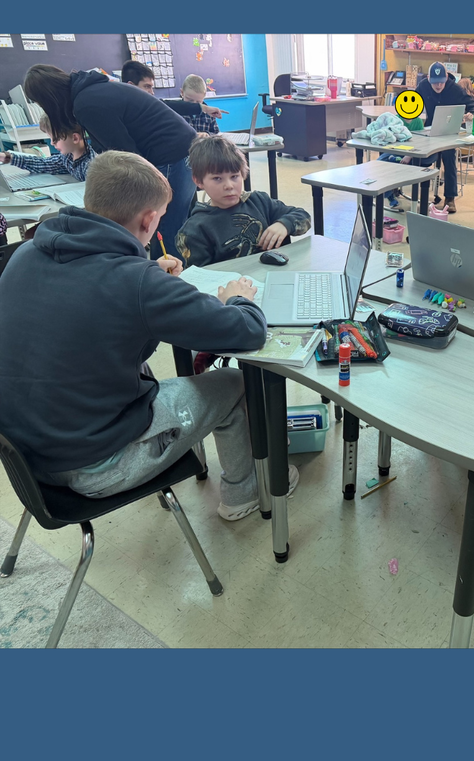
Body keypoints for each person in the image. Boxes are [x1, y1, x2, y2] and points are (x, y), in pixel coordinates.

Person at [0, 150, 286, 522]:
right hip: (95, 466)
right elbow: (246, 331)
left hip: (26, 458)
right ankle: (242, 493)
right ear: (150, 219)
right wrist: (237, 297)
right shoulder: (136, 282)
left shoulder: (26, 254)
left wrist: (148, 277)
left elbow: (95, 303)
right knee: (235, 382)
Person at [24, 64, 197, 261]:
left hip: (170, 154)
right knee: (178, 227)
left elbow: (127, 158)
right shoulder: (91, 90)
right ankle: (178, 277)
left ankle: (167, 284)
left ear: (48, 99)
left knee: (164, 229)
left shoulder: (86, 104)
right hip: (182, 149)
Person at [176, 134, 311, 267]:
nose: (229, 185)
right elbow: (200, 277)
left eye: (234, 176)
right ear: (198, 181)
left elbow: (303, 217)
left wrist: (284, 225)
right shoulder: (194, 230)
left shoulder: (259, 201)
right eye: (217, 178)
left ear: (243, 175)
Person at [414, 61, 474, 214]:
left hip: (449, 132)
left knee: (449, 157)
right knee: (417, 157)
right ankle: (413, 193)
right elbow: (411, 103)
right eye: (435, 83)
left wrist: (471, 114)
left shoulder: (455, 89)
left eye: (441, 81)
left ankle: (450, 199)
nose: (438, 86)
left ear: (447, 77)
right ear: (428, 78)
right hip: (430, 131)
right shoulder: (422, 86)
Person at [121, 59, 227, 126]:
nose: (152, 93)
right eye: (147, 86)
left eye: (152, 87)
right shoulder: (120, 110)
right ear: (131, 86)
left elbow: (163, 105)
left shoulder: (145, 107)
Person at [0, 112, 96, 181]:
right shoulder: (68, 158)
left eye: (55, 139)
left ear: (75, 138)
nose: (52, 143)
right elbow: (42, 164)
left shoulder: (91, 166)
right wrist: (6, 158)